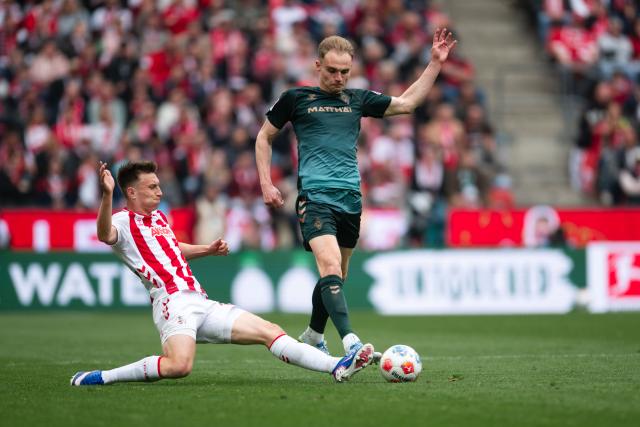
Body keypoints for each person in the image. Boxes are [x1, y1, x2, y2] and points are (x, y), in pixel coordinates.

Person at [70, 161, 374, 386]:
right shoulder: (122, 221)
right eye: (153, 187)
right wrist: (107, 195)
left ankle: (338, 365)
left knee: (269, 330)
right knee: (179, 366)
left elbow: (172, 248)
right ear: (132, 191)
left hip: (200, 301)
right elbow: (104, 234)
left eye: (159, 185)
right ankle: (103, 377)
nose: (160, 191)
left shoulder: (158, 218)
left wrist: (207, 249)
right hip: (171, 304)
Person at [255, 29, 456, 356]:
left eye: (345, 72)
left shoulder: (357, 99)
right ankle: (351, 343)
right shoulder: (296, 99)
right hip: (315, 197)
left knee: (338, 274)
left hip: (350, 198)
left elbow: (406, 104)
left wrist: (434, 63)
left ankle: (312, 334)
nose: (338, 78)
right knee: (330, 266)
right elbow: (264, 137)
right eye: (332, 71)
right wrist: (266, 182)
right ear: (317, 65)